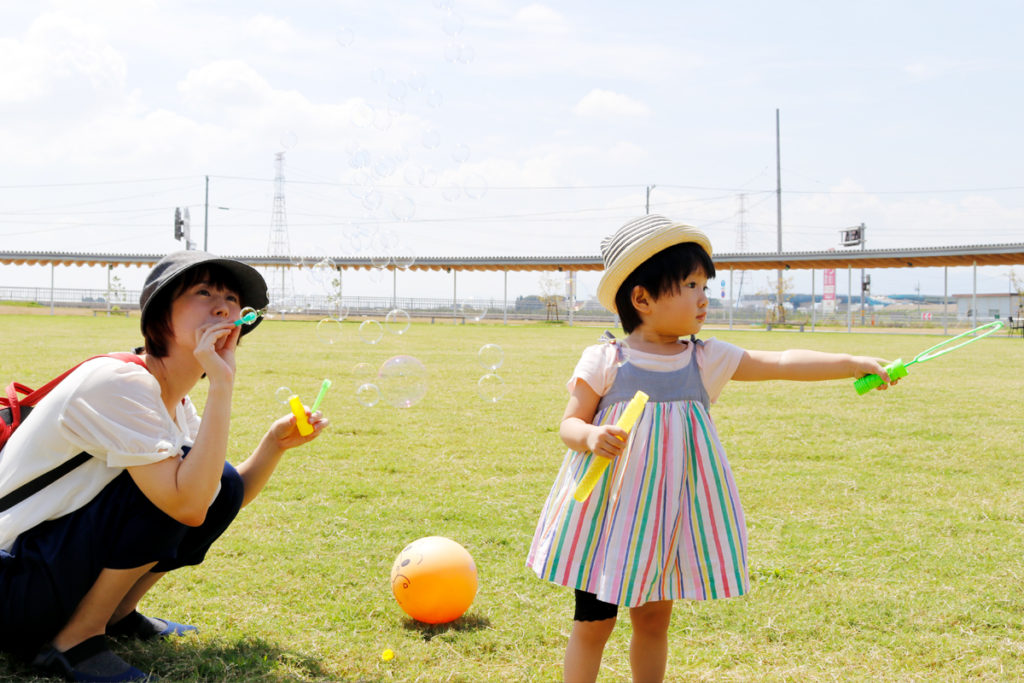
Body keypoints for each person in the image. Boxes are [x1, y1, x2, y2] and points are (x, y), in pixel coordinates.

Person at [526, 215, 896, 683]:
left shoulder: (704, 357)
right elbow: (569, 424)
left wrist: (852, 362)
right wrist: (591, 437)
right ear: (642, 298)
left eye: (704, 284)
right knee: (594, 623)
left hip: (666, 520)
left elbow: (780, 362)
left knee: (655, 620)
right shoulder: (606, 359)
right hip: (607, 519)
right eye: (690, 285)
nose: (704, 297)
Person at [0, 251, 328, 681]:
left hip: (46, 570)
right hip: (14, 584)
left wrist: (273, 446)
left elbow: (220, 494)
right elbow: (187, 505)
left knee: (217, 480)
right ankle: (75, 641)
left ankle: (117, 614)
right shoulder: (121, 383)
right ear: (160, 318)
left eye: (232, 299)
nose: (223, 306)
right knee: (173, 485)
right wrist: (223, 386)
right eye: (203, 292)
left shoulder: (173, 400)